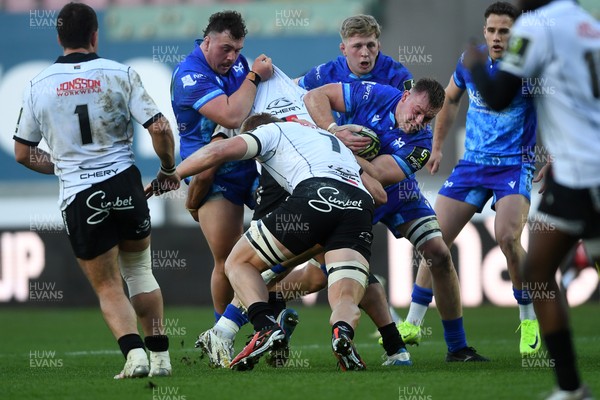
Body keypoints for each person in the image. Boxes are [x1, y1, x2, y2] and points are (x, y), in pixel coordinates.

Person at [195, 67, 411, 369]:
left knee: (248, 268)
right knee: (345, 278)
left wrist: (185, 190)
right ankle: (394, 348)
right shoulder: (317, 136)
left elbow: (213, 156)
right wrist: (354, 163)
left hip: (301, 205)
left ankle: (236, 330)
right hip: (344, 205)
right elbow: (378, 193)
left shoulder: (268, 142)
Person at [13, 2, 179, 379]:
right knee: (140, 273)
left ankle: (134, 356)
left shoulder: (39, 84)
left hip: (80, 194)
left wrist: (64, 166)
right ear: (95, 35)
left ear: (59, 38)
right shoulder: (121, 74)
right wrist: (168, 169)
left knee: (107, 285)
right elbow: (160, 128)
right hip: (124, 182)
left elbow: (23, 152)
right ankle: (162, 359)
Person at [164, 113, 382, 371]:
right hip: (359, 205)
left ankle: (265, 327)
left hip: (316, 195)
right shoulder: (327, 139)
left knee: (238, 262)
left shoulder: (271, 132)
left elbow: (218, 151)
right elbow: (379, 194)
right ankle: (342, 333)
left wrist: (173, 173)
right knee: (345, 294)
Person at [467, 0, 600, 398]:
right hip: (579, 169)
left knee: (539, 275)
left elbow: (498, 94)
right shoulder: (587, 23)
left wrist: (474, 62)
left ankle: (570, 386)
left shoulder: (535, 26)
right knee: (539, 273)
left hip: (582, 174)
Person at [304, 78, 489, 361]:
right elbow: (315, 96)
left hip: (398, 195)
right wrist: (333, 130)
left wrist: (341, 149)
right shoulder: (373, 93)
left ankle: (457, 347)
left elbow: (378, 175)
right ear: (404, 96)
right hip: (352, 194)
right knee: (320, 271)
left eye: (427, 118)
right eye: (416, 111)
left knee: (439, 253)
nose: (418, 121)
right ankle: (263, 305)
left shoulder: (422, 144)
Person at [401, 1, 540, 357]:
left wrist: (551, 155)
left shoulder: (530, 66)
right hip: (472, 165)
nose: (496, 37)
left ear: (517, 33)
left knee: (508, 237)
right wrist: (437, 147)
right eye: (491, 30)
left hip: (513, 165)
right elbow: (449, 99)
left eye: (504, 31)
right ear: (484, 31)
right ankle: (413, 325)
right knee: (433, 240)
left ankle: (528, 320)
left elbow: (555, 110)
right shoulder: (470, 61)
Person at [170, 10, 273, 320]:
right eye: (225, 48)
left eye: (238, 50)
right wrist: (254, 76)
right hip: (213, 179)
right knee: (228, 260)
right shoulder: (190, 76)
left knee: (284, 243)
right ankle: (222, 333)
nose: (232, 57)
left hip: (247, 166)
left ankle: (271, 313)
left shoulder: (238, 63)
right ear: (207, 40)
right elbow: (231, 115)